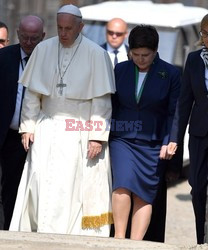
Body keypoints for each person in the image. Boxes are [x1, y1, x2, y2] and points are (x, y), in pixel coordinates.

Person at [9, 4, 115, 237]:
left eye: (68, 28)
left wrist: (96, 136)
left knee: (69, 186)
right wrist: (27, 126)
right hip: (46, 126)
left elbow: (101, 102)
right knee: (39, 181)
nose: (64, 33)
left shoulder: (96, 54)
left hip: (78, 130)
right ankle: (37, 230)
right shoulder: (43, 49)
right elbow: (33, 95)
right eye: (60, 28)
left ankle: (68, 235)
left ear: (81, 27)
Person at [109, 24, 181, 240]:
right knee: (121, 185)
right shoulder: (120, 70)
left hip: (153, 144)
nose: (140, 59)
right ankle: (119, 239)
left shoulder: (170, 73)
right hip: (122, 139)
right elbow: (111, 105)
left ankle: (136, 243)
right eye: (136, 54)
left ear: (156, 51)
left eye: (146, 55)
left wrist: (171, 140)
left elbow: (174, 113)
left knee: (144, 194)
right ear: (130, 50)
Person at [0, 15, 45, 230]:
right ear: (17, 35)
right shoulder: (4, 57)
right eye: (25, 37)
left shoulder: (48, 60)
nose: (28, 43)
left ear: (43, 37)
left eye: (34, 39)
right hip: (4, 131)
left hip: (30, 136)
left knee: (18, 187)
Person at [167, 14, 208, 244]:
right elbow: (184, 103)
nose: (207, 38)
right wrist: (176, 138)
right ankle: (201, 239)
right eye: (205, 33)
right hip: (200, 132)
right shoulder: (193, 60)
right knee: (198, 188)